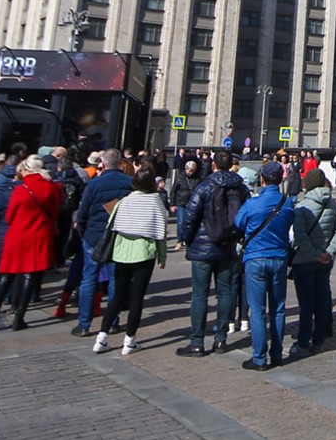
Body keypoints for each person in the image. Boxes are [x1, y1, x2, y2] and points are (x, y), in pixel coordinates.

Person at [175, 150, 249, 356]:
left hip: (202, 248)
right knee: (225, 294)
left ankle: (197, 341)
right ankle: (221, 340)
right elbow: (246, 216)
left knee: (200, 295)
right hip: (228, 247)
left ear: (214, 165)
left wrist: (188, 240)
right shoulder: (240, 188)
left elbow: (190, 217)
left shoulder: (205, 186)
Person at [92, 170, 168, 355]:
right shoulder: (156, 201)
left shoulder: (124, 201)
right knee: (136, 298)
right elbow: (161, 230)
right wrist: (162, 256)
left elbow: (112, 224)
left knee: (117, 295)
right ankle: (129, 341)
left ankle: (101, 338)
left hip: (121, 252)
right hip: (144, 253)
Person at [0, 155, 59, 331]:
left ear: (28, 170)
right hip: (39, 235)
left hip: (18, 234)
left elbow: (9, 216)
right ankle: (19, 316)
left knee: (5, 274)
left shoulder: (21, 188)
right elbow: (54, 214)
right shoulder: (51, 188)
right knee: (29, 275)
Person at [236, 161, 296, 370]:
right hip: (279, 257)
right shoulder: (287, 204)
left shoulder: (253, 204)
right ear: (280, 180)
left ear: (262, 179)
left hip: (255, 258)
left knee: (258, 310)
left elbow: (239, 222)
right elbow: (289, 224)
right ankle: (277, 354)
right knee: (278, 309)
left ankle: (259, 357)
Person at [70, 149, 133, 337]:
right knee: (115, 280)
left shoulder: (94, 184)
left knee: (89, 279)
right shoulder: (130, 184)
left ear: (103, 164)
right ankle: (113, 322)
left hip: (94, 236)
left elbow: (83, 213)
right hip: (119, 236)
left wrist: (82, 232)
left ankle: (84, 324)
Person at [290, 166, 336, 359]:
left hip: (304, 262)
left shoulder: (302, 206)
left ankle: (304, 342)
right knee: (321, 301)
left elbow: (300, 236)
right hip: (325, 261)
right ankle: (319, 340)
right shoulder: (333, 205)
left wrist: (313, 253)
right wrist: (328, 252)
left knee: (306, 304)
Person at [168, 156, 201, 221]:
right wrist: (172, 204)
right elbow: (173, 191)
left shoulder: (198, 179)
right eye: (188, 170)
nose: (190, 172)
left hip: (192, 203)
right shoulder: (180, 178)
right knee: (181, 222)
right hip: (181, 203)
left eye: (192, 171)